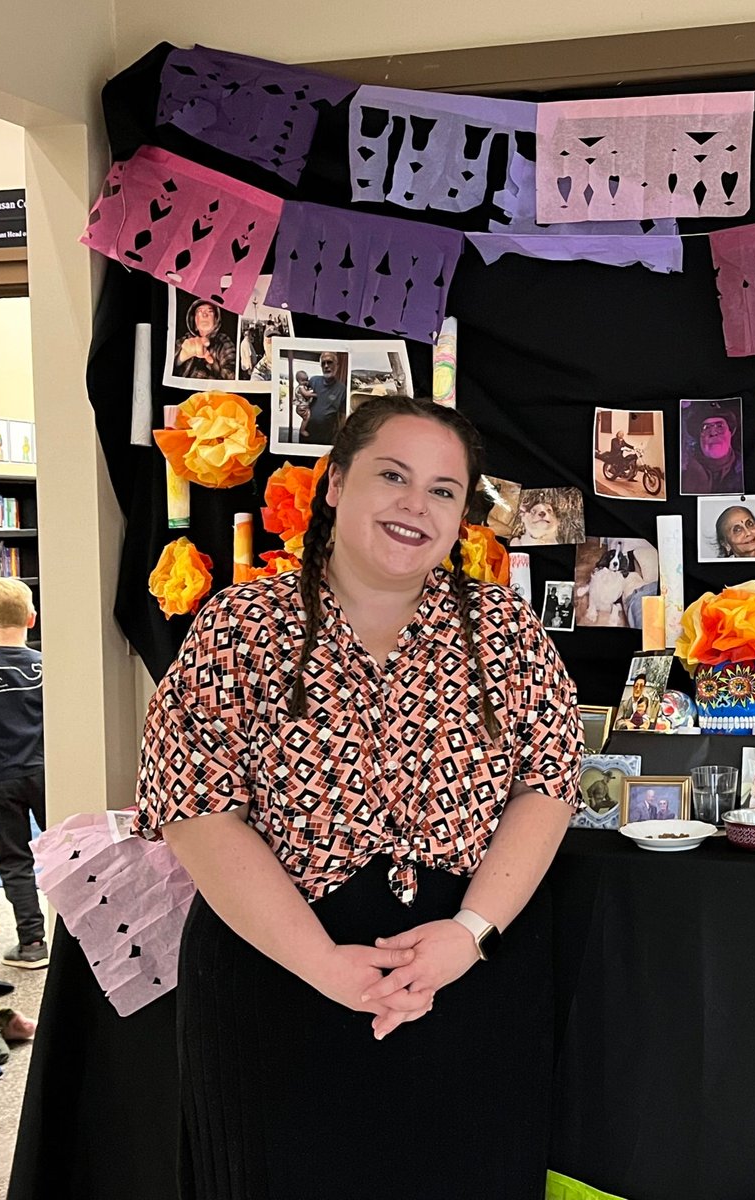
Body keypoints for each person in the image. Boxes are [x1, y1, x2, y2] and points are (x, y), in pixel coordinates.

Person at [133, 396, 584, 1196]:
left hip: (464, 981)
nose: (417, 504)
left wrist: (469, 934)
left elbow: (549, 782)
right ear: (335, 484)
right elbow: (196, 806)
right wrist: (324, 967)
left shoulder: (506, 631)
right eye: (393, 475)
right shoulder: (239, 628)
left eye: (445, 490)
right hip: (277, 984)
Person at [0, 579, 48, 969]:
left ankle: (33, 941)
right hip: (46, 772)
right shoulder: (45, 663)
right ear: (32, 619)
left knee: (14, 859)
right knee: (62, 852)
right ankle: (81, 937)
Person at [682, 406, 742, 493]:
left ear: (730, 432)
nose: (713, 433)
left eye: (720, 426)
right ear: (699, 437)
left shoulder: (744, 469)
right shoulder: (684, 471)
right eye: (706, 428)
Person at [173, 299, 236, 381]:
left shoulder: (223, 341)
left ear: (216, 319)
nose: (204, 314)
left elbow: (232, 376)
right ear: (194, 320)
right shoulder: (183, 341)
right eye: (199, 311)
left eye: (210, 311)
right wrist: (180, 358)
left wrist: (213, 364)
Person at [300, 351, 348, 445]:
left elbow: (342, 416)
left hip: (326, 437)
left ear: (337, 365)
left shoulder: (342, 389)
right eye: (323, 363)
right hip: (307, 433)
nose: (326, 366)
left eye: (329, 362)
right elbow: (301, 395)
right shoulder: (313, 381)